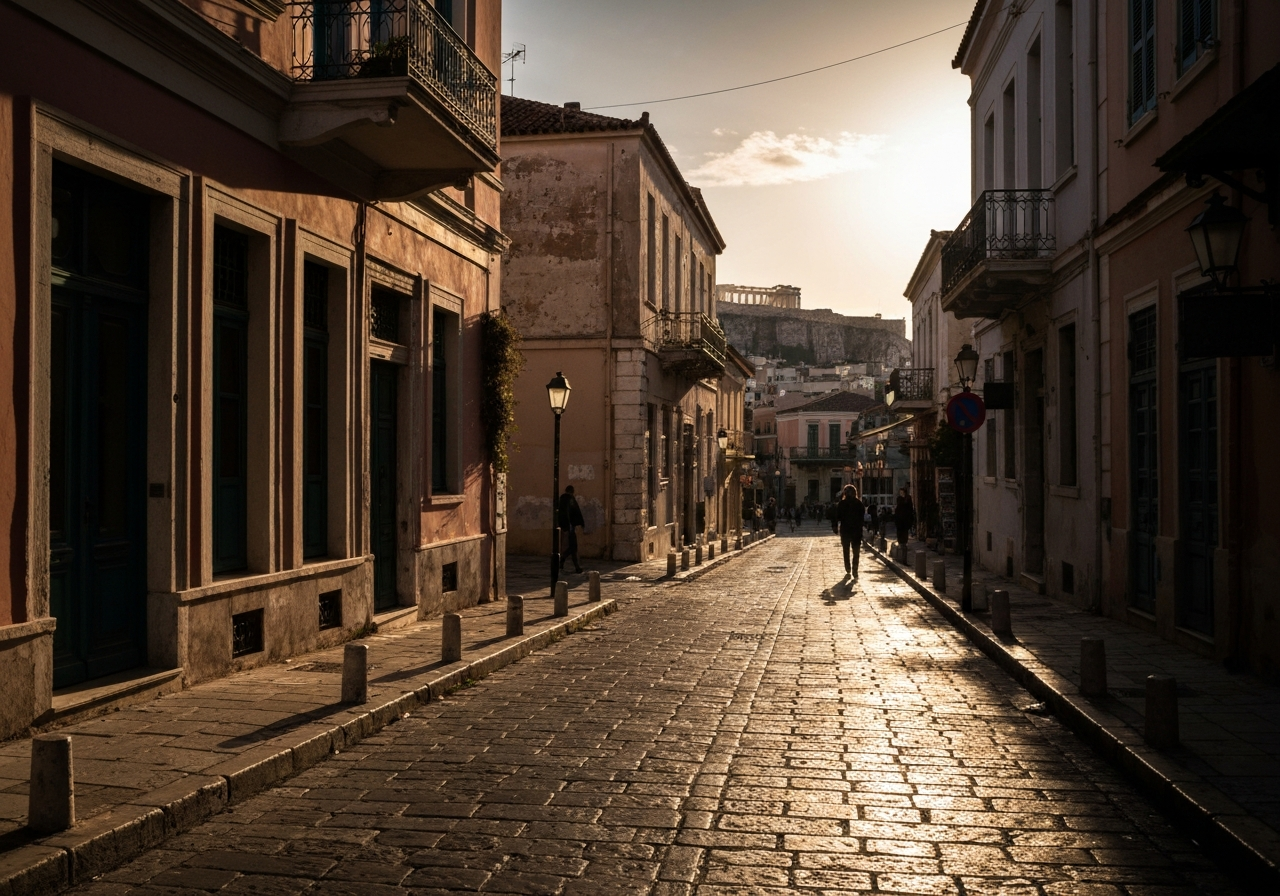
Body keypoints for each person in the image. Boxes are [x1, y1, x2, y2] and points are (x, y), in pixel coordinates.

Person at [833, 484, 865, 577]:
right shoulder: (859, 504)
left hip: (845, 531)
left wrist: (835, 527)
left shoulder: (842, 504)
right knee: (856, 551)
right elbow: (862, 517)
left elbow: (837, 517)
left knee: (846, 550)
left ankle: (848, 567)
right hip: (856, 531)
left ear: (845, 493)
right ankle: (855, 569)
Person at [558, 485, 585, 574]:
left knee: (572, 547)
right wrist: (581, 522)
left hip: (565, 526)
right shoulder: (570, 499)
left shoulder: (561, 499)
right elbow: (575, 511)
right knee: (573, 547)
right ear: (572, 491)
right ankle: (564, 561)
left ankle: (574, 566)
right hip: (570, 526)